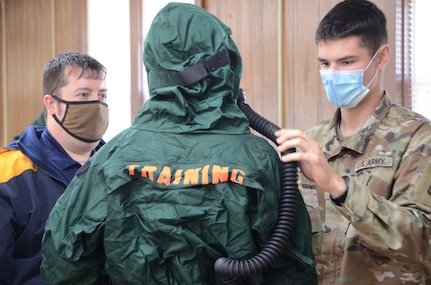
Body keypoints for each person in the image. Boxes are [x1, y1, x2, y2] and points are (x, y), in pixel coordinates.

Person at [40, 3, 317, 284]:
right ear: (225, 68)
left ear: (154, 67)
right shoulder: (261, 158)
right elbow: (294, 265)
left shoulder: (113, 156)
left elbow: (65, 256)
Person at [274, 0, 431, 284]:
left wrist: (338, 187)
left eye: (346, 62)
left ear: (381, 57)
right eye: (325, 63)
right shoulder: (312, 141)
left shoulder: (418, 138)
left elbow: (423, 241)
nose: (333, 73)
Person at [0, 51, 109, 285]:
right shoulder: (8, 174)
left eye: (101, 95)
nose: (96, 104)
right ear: (51, 104)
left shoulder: (118, 168)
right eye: (83, 94)